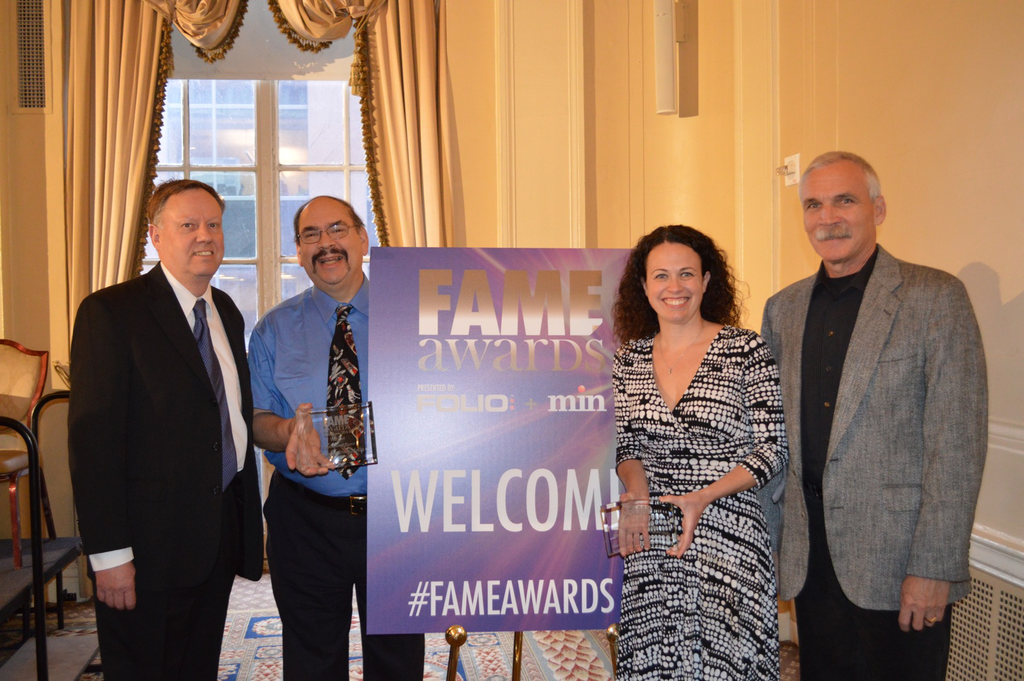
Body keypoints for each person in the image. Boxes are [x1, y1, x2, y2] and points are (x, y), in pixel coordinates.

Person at [759, 151, 987, 680]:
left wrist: (934, 567)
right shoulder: (783, 310)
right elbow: (772, 441)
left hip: (899, 563)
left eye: (845, 200)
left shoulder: (935, 298)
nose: (827, 217)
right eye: (813, 204)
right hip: (810, 558)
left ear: (878, 209)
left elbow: (956, 446)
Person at [68, 179, 264, 680]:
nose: (205, 236)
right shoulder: (110, 313)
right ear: (156, 236)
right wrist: (109, 555)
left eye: (214, 224)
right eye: (188, 225)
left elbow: (227, 420)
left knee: (196, 669)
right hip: (145, 551)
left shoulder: (226, 312)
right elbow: (94, 446)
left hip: (215, 539)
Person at [247, 195, 424, 679]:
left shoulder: (418, 318)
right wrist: (286, 431)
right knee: (311, 660)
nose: (326, 244)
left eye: (338, 230)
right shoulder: (272, 331)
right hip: (303, 519)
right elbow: (256, 418)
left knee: (398, 660)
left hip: (397, 517)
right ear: (299, 252)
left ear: (364, 240)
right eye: (311, 235)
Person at [612, 225, 789, 680]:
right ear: (644, 286)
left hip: (729, 531)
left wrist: (702, 496)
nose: (675, 287)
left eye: (687, 274)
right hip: (656, 534)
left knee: (727, 663)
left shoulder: (743, 348)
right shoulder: (628, 359)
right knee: (657, 660)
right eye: (662, 276)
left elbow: (773, 449)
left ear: (707, 281)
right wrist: (635, 494)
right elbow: (629, 442)